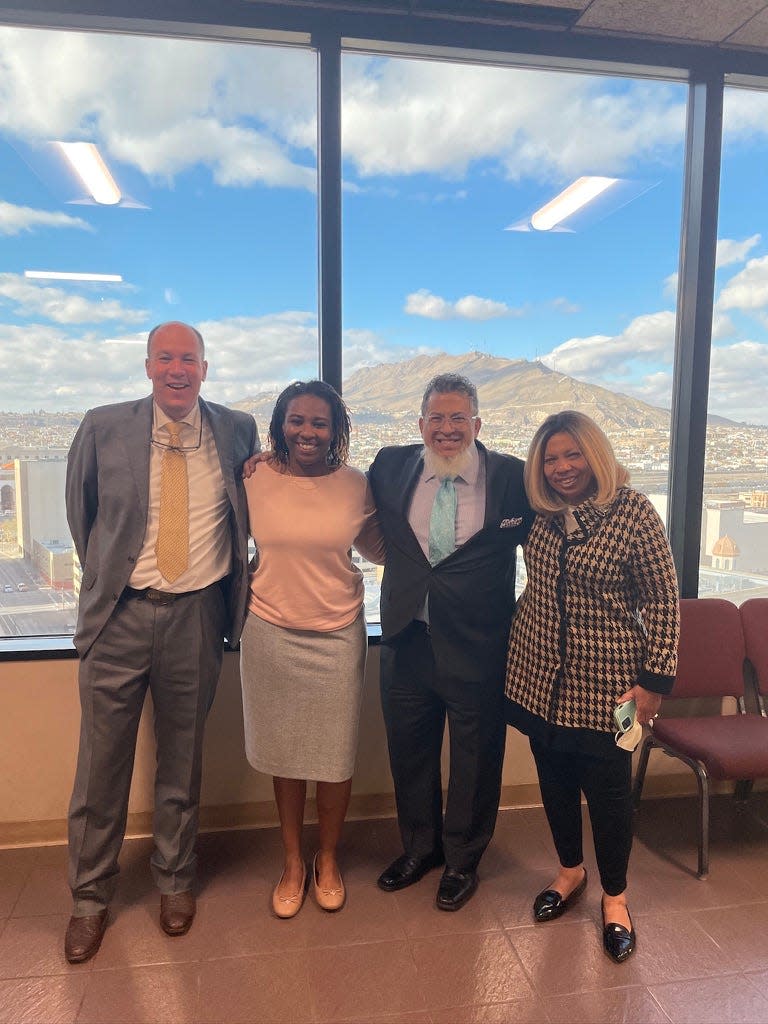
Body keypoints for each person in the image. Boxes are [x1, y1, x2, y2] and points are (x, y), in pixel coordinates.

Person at [64, 321, 258, 963]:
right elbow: (82, 517)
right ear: (148, 365)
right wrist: (111, 584)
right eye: (166, 358)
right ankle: (90, 897)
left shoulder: (235, 430)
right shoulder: (103, 425)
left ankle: (176, 880)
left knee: (183, 757)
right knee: (101, 766)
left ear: (206, 368)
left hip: (197, 617)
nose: (179, 369)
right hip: (119, 615)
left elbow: (243, 511)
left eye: (190, 360)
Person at [505, 410, 679, 963]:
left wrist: (655, 684)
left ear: (594, 454)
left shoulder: (633, 513)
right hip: (537, 680)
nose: (561, 468)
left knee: (610, 795)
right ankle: (569, 872)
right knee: (553, 782)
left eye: (572, 454)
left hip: (616, 690)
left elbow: (664, 601)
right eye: (551, 458)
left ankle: (616, 898)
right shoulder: (540, 513)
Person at [368, 373, 530, 911]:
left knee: (476, 756)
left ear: (477, 424)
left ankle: (462, 860)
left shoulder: (511, 479)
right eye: (436, 418)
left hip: (480, 644)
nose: (447, 428)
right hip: (407, 638)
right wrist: (266, 461)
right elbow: (329, 488)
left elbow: (557, 527)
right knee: (408, 750)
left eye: (458, 417)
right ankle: (419, 849)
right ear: (420, 426)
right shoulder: (390, 467)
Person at [240, 380, 384, 918]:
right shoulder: (253, 479)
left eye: (319, 422)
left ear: (335, 430)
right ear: (280, 424)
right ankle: (293, 862)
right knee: (285, 754)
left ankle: (327, 858)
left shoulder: (356, 485)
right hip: (270, 631)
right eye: (296, 420)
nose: (307, 431)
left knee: (333, 757)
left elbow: (381, 548)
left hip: (337, 633)